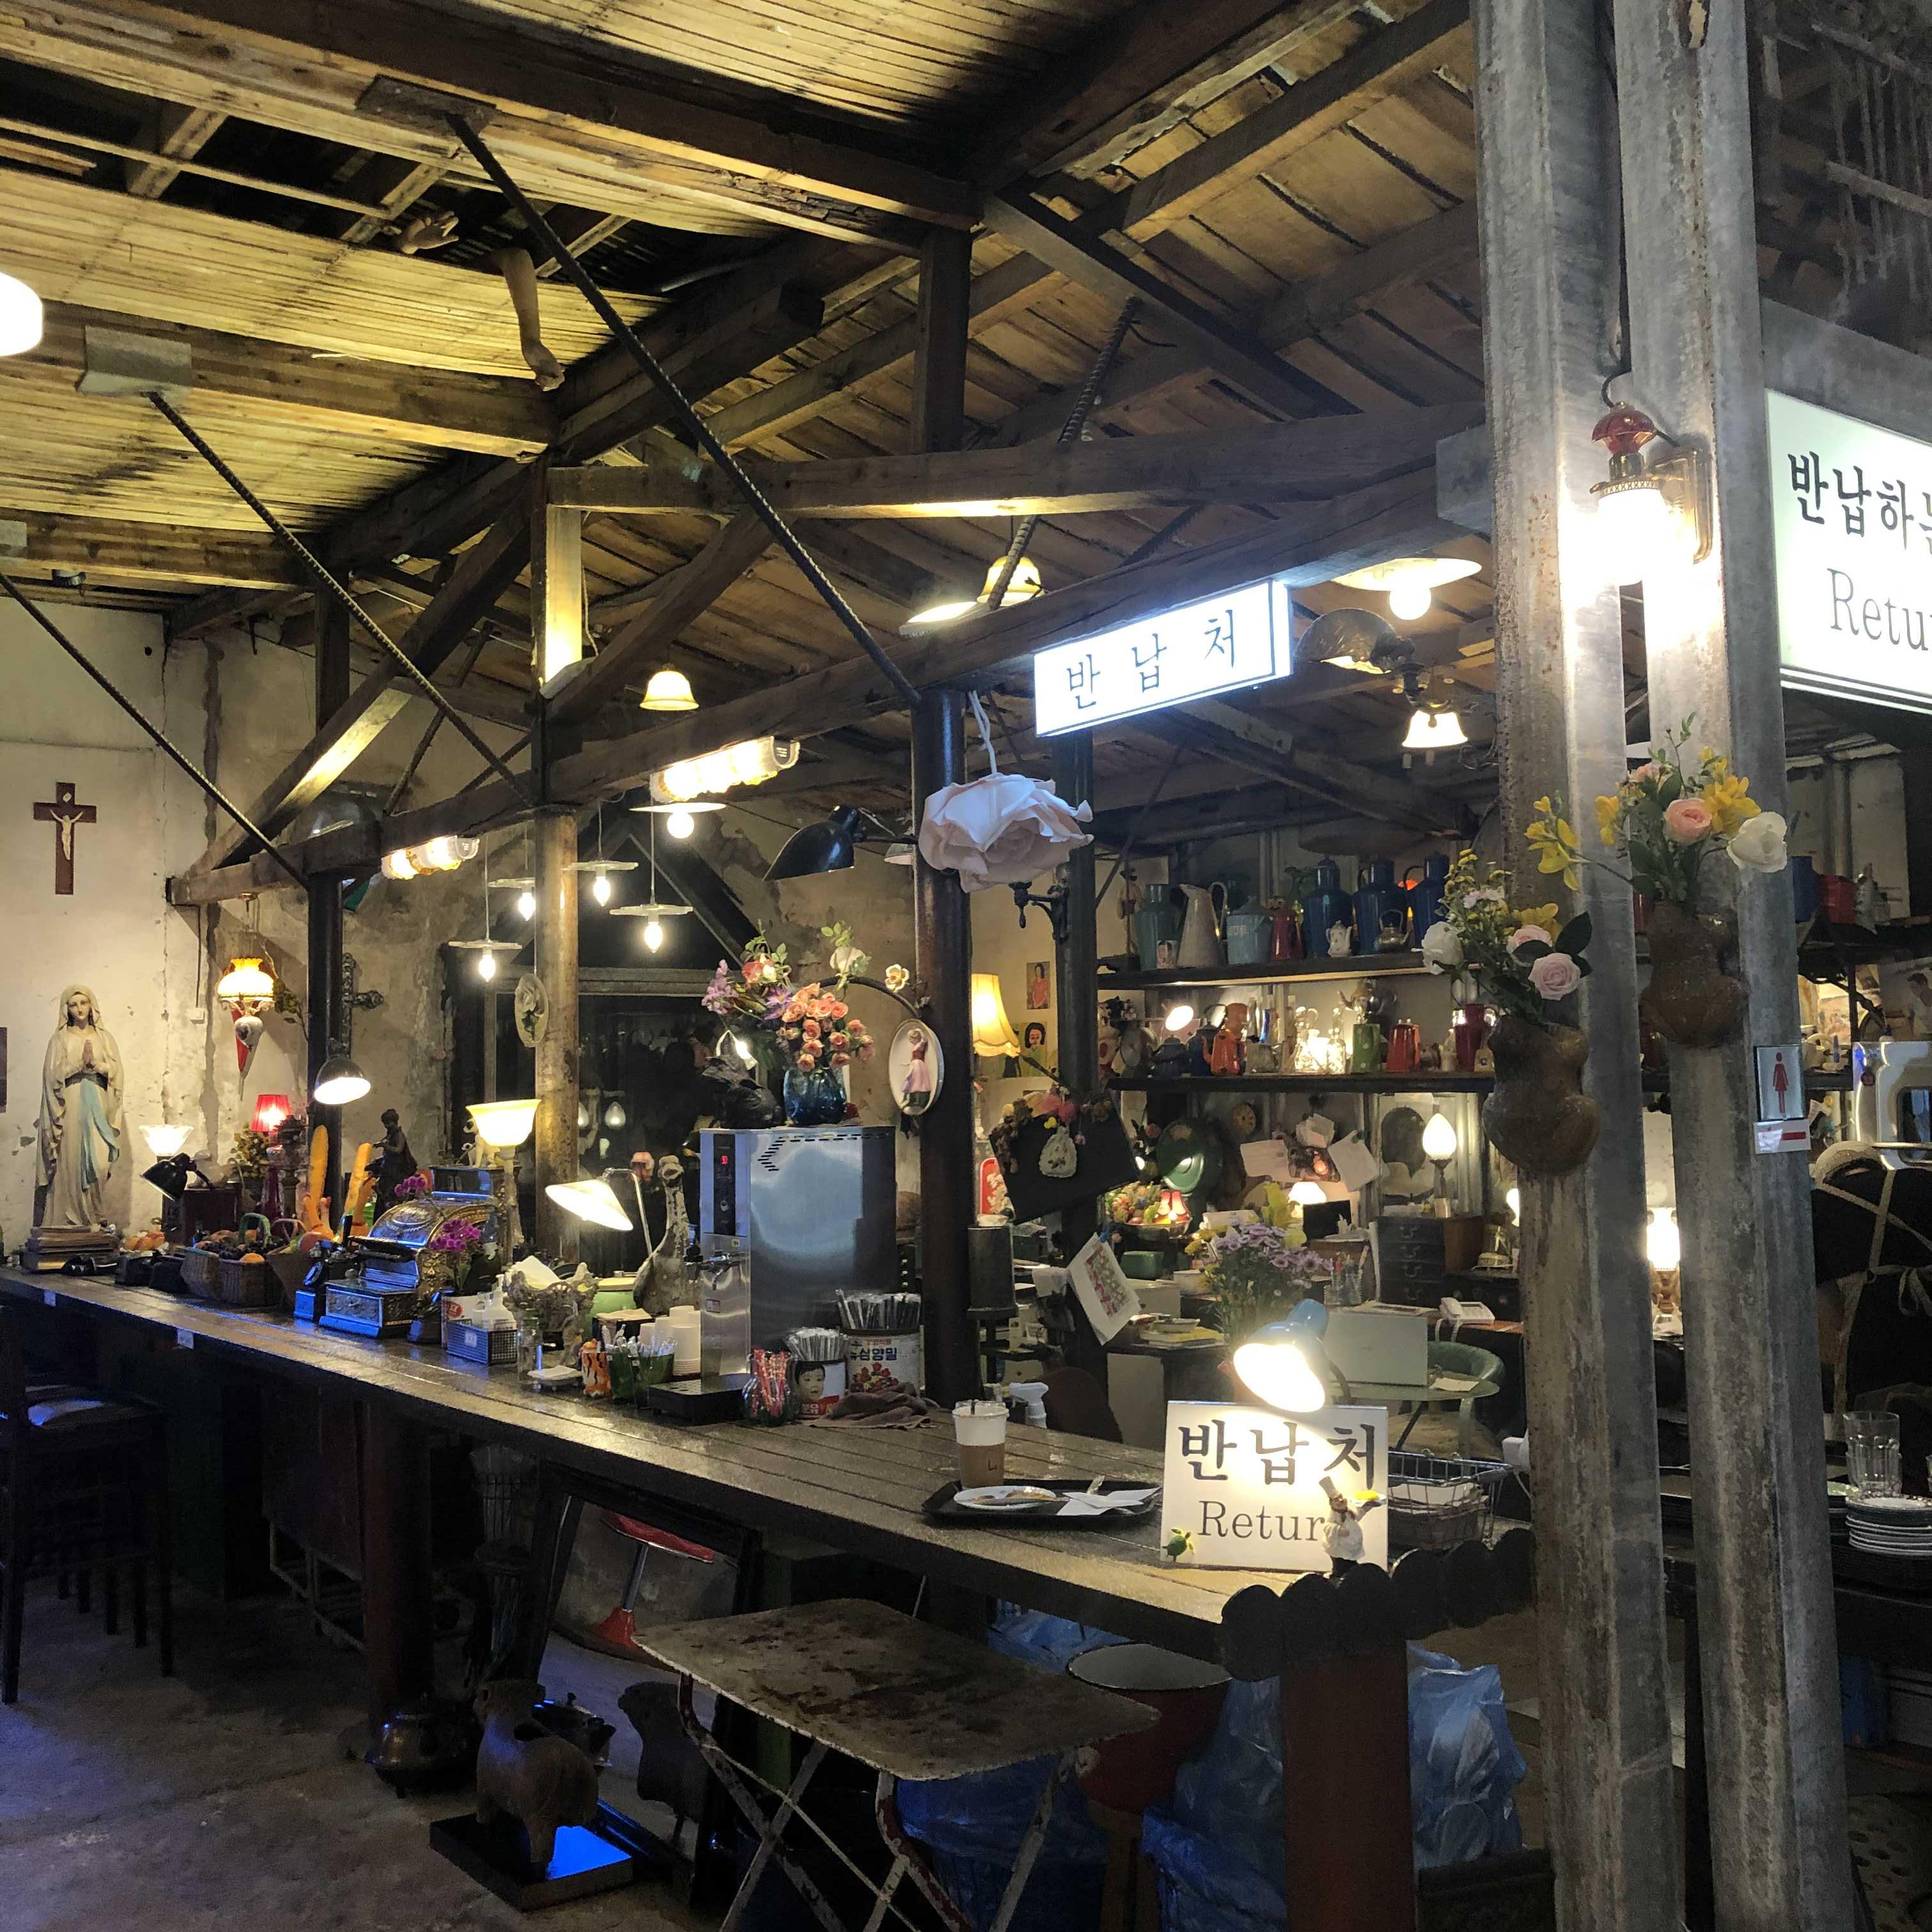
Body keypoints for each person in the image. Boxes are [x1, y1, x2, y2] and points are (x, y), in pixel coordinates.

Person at [36, 983, 125, 1230]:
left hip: (98, 1101)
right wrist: (78, 1065)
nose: (80, 1009)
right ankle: (71, 1219)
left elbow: (116, 1071)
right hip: (71, 1103)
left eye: (84, 1003)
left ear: (92, 1006)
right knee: (72, 1162)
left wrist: (95, 1064)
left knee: (100, 1162)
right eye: (73, 1005)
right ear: (67, 1010)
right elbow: (52, 1076)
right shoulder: (60, 1039)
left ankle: (94, 1214)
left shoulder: (104, 1038)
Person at [900, 1026, 935, 1113]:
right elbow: (913, 1058)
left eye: (912, 1038)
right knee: (911, 1082)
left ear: (916, 1037)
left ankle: (919, 1101)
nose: (911, 1041)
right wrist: (908, 1063)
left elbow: (925, 1040)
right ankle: (912, 1100)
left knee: (919, 1082)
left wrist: (920, 1031)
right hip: (914, 1065)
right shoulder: (915, 1047)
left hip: (919, 1065)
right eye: (910, 1039)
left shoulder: (920, 1044)